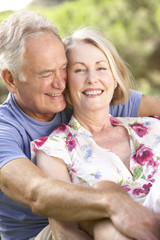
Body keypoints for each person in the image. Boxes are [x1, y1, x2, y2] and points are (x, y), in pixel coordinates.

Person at [0, 10, 160, 240]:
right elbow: (38, 194)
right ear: (11, 80)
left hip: (103, 216)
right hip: (40, 233)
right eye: (45, 73)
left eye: (63, 67)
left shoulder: (87, 98)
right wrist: (112, 200)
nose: (59, 83)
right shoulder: (4, 129)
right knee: (101, 194)